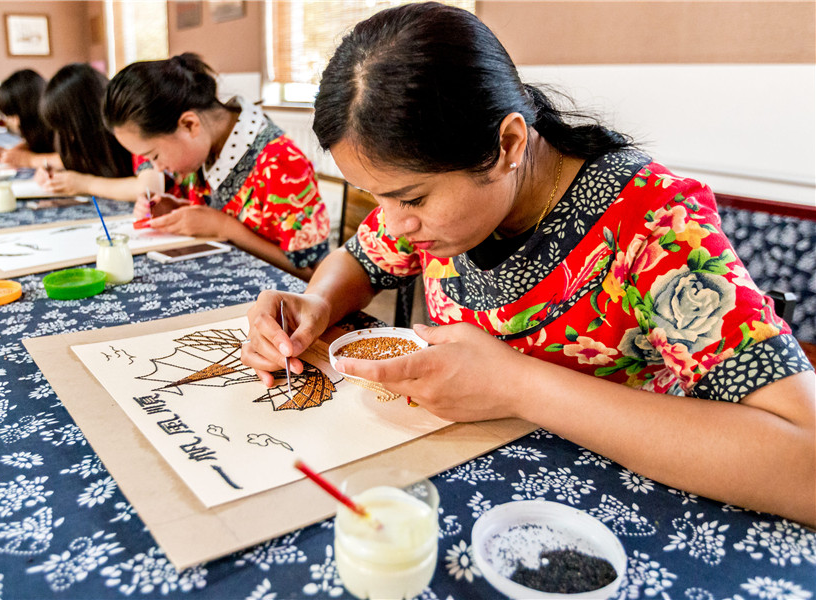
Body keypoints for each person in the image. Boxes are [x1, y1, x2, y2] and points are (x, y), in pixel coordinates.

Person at [240, 3, 815, 526]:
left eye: (410, 199)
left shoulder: (651, 222)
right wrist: (316, 303)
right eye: (377, 198)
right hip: (462, 487)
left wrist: (518, 387)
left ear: (510, 144)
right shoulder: (436, 211)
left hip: (619, 509)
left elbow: (804, 461)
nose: (393, 224)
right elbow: (359, 260)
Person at [103, 53, 331, 281]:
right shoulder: (205, 148)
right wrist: (177, 210)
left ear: (189, 125)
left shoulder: (280, 162)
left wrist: (224, 227)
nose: (158, 168)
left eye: (154, 156)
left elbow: (316, 274)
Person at [35, 63, 162, 200]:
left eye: (68, 128)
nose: (69, 138)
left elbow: (149, 189)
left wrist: (84, 184)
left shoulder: (128, 130)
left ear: (87, 119)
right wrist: (52, 172)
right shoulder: (81, 142)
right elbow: (69, 160)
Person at [0, 69, 58, 168]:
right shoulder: (40, 129)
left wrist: (29, 160)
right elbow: (40, 142)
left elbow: (70, 160)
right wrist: (9, 153)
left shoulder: (60, 124)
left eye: (13, 116)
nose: (14, 122)